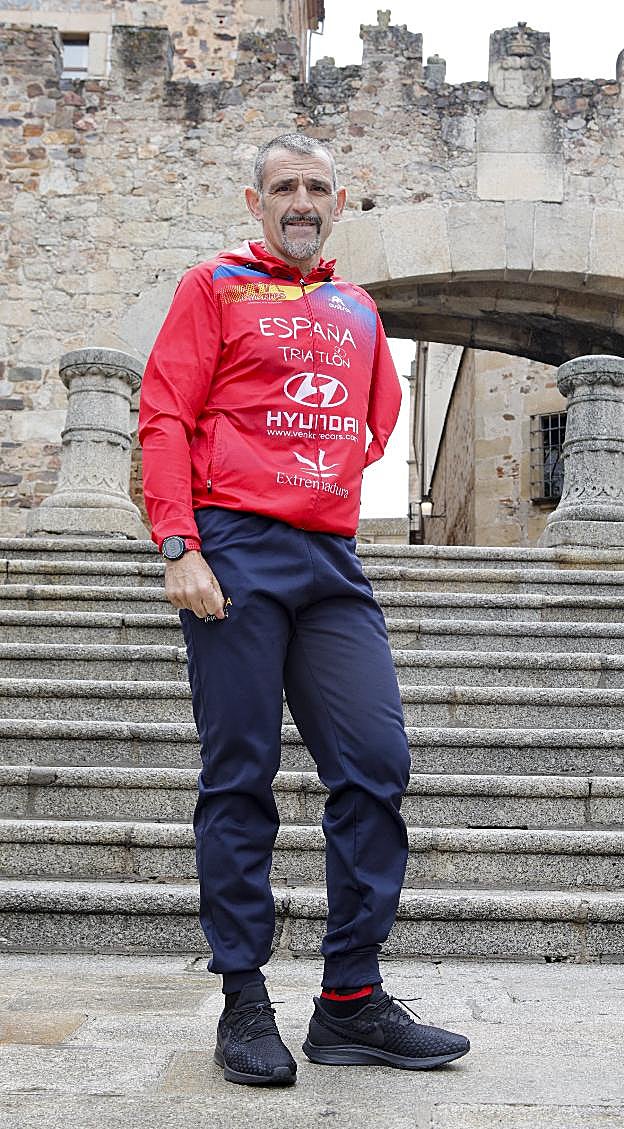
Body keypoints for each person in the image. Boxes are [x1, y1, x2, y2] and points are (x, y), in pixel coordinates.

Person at [138, 133, 470, 1087]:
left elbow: (375, 421)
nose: (301, 200)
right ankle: (244, 998)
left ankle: (351, 1000)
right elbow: (164, 413)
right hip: (232, 549)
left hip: (328, 559)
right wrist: (180, 543)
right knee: (239, 774)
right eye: (283, 186)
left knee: (376, 762)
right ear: (257, 202)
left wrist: (311, 479)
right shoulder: (213, 286)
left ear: (338, 203)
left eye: (317, 187)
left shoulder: (357, 308)